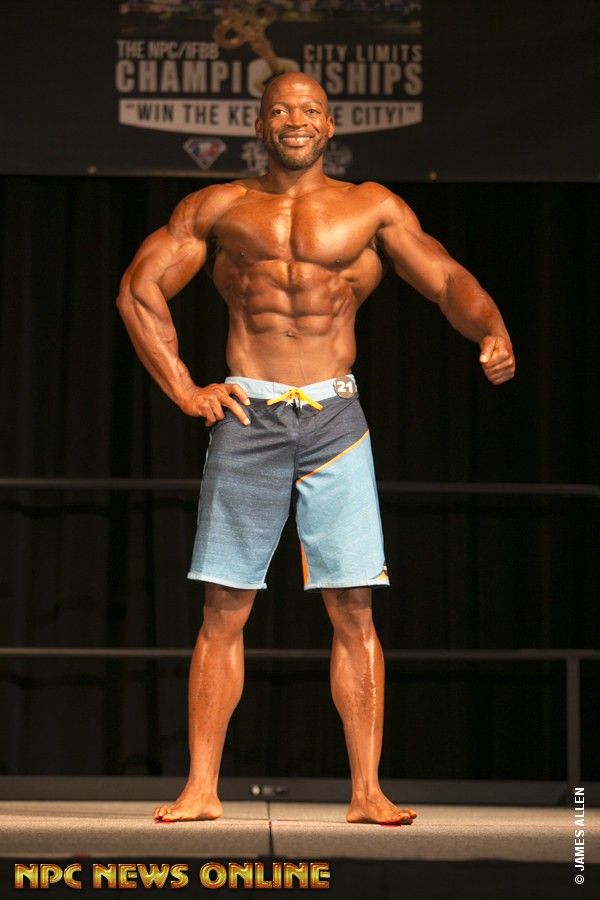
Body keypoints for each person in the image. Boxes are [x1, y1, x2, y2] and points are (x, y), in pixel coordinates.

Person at [117, 72, 515, 825]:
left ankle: (367, 791)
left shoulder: (371, 207)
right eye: (280, 109)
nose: (294, 120)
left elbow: (446, 279)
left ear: (330, 126)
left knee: (353, 606)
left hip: (335, 421)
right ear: (259, 125)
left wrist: (490, 326)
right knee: (224, 607)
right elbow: (140, 289)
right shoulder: (218, 207)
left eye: (309, 110)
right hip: (250, 417)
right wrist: (185, 389)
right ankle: (201, 788)